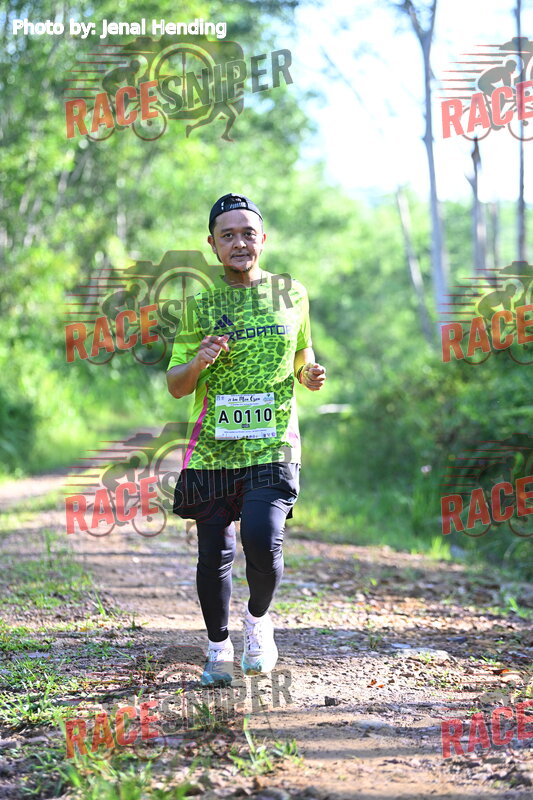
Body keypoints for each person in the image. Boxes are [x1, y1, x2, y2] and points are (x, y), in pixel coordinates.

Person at [166, 193, 326, 687]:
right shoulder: (198, 305)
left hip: (273, 441)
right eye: (228, 235)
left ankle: (257, 621)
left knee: (261, 537)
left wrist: (308, 373)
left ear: (263, 239)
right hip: (212, 446)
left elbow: (302, 352)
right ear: (212, 244)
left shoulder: (292, 293)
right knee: (214, 552)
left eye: (248, 234)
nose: (239, 243)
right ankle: (217, 646)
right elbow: (176, 385)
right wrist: (199, 361)